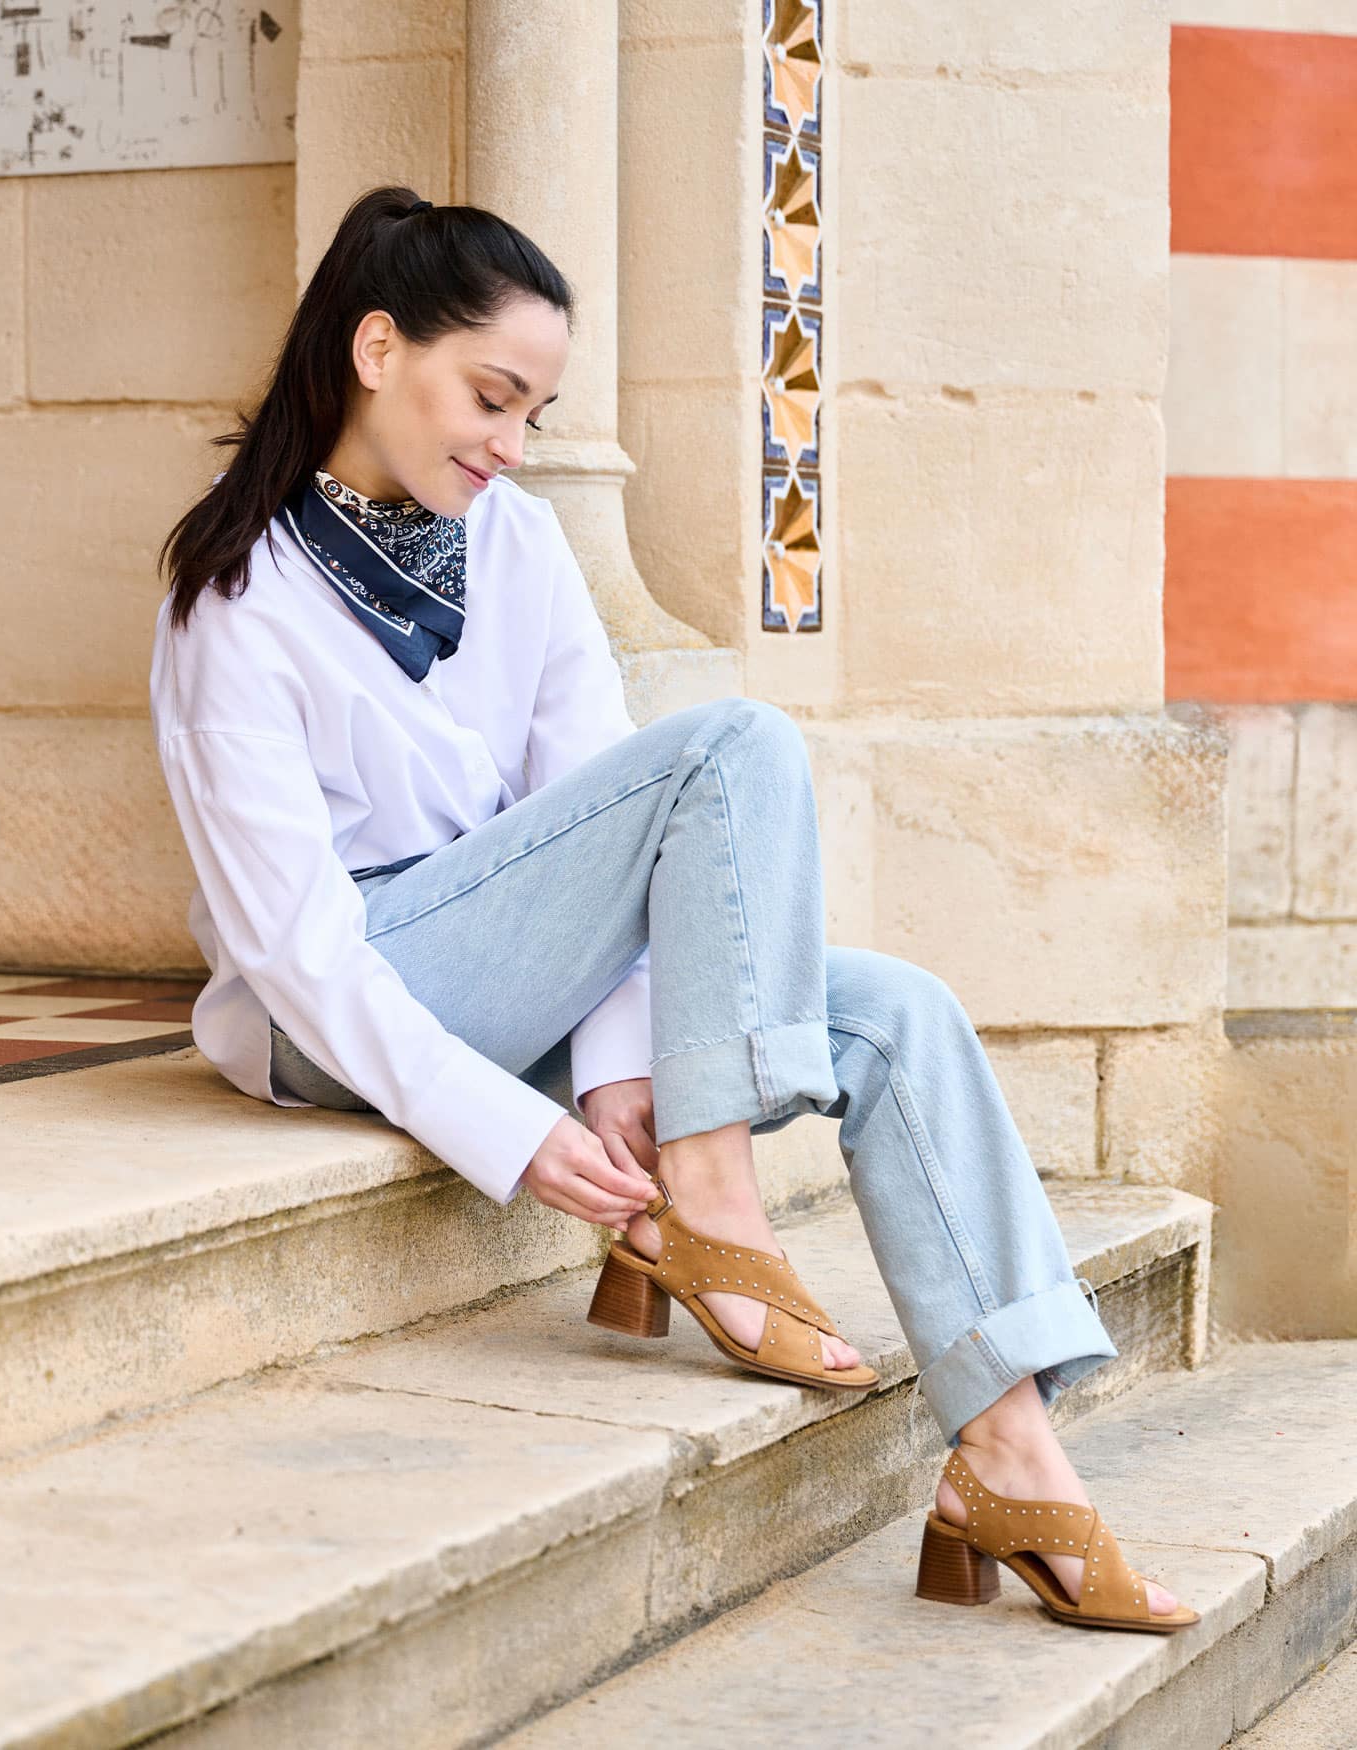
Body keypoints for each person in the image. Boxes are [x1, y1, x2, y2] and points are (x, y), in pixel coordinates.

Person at [150, 185, 1198, 1635]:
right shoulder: (234, 600)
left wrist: (619, 1058)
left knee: (898, 1012)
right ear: (377, 349)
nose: (512, 446)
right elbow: (296, 950)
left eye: (534, 413)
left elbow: (604, 830)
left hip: (517, 963)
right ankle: (709, 1203)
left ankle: (1010, 1453)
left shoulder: (515, 543)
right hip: (330, 1008)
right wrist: (510, 1130)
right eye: (491, 399)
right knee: (729, 745)